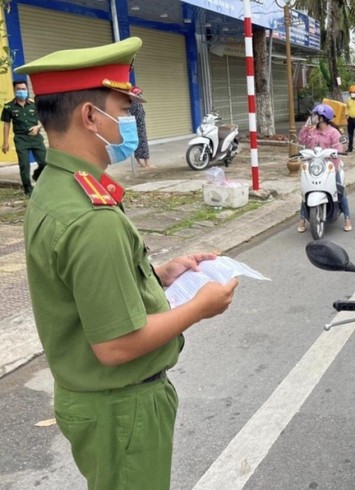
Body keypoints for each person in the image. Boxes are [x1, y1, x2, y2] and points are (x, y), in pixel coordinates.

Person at [16, 37, 239, 489]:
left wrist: (161, 272)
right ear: (89, 116)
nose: (129, 123)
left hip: (101, 403)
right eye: (122, 111)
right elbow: (116, 346)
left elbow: (87, 289)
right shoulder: (89, 216)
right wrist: (201, 306)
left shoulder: (57, 188)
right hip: (122, 408)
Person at [296, 103, 352, 232]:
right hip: (313, 167)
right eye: (314, 115)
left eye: (317, 115)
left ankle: (347, 217)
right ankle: (302, 218)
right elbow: (301, 140)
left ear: (323, 117)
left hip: (330, 167)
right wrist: (305, 127)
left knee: (340, 190)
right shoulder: (311, 130)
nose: (314, 117)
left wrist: (333, 158)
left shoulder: (333, 133)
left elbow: (339, 148)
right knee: (305, 190)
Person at [1, 80, 48, 197]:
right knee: (24, 165)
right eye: (19, 89)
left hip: (36, 138)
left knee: (44, 162)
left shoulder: (34, 104)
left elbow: (44, 117)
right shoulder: (8, 107)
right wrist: (5, 142)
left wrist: (38, 127)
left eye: (24, 89)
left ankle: (37, 175)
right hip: (21, 139)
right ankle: (28, 190)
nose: (22, 91)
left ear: (27, 90)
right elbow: (7, 124)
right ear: (14, 90)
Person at [129, 86, 154, 168]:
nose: (141, 96)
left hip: (135, 127)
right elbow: (139, 116)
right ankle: (147, 164)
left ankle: (139, 163)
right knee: (143, 145)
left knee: (136, 145)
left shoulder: (133, 103)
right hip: (139, 127)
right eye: (139, 94)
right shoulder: (136, 104)